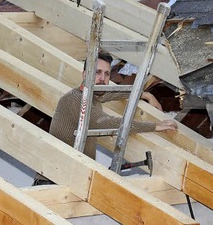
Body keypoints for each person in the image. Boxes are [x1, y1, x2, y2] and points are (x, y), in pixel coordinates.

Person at [33, 51, 178, 185]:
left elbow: (113, 93)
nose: (102, 79)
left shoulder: (93, 96)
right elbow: (106, 122)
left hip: (70, 179)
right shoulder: (75, 99)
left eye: (107, 74)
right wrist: (154, 126)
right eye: (98, 72)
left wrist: (146, 95)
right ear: (85, 74)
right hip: (52, 181)